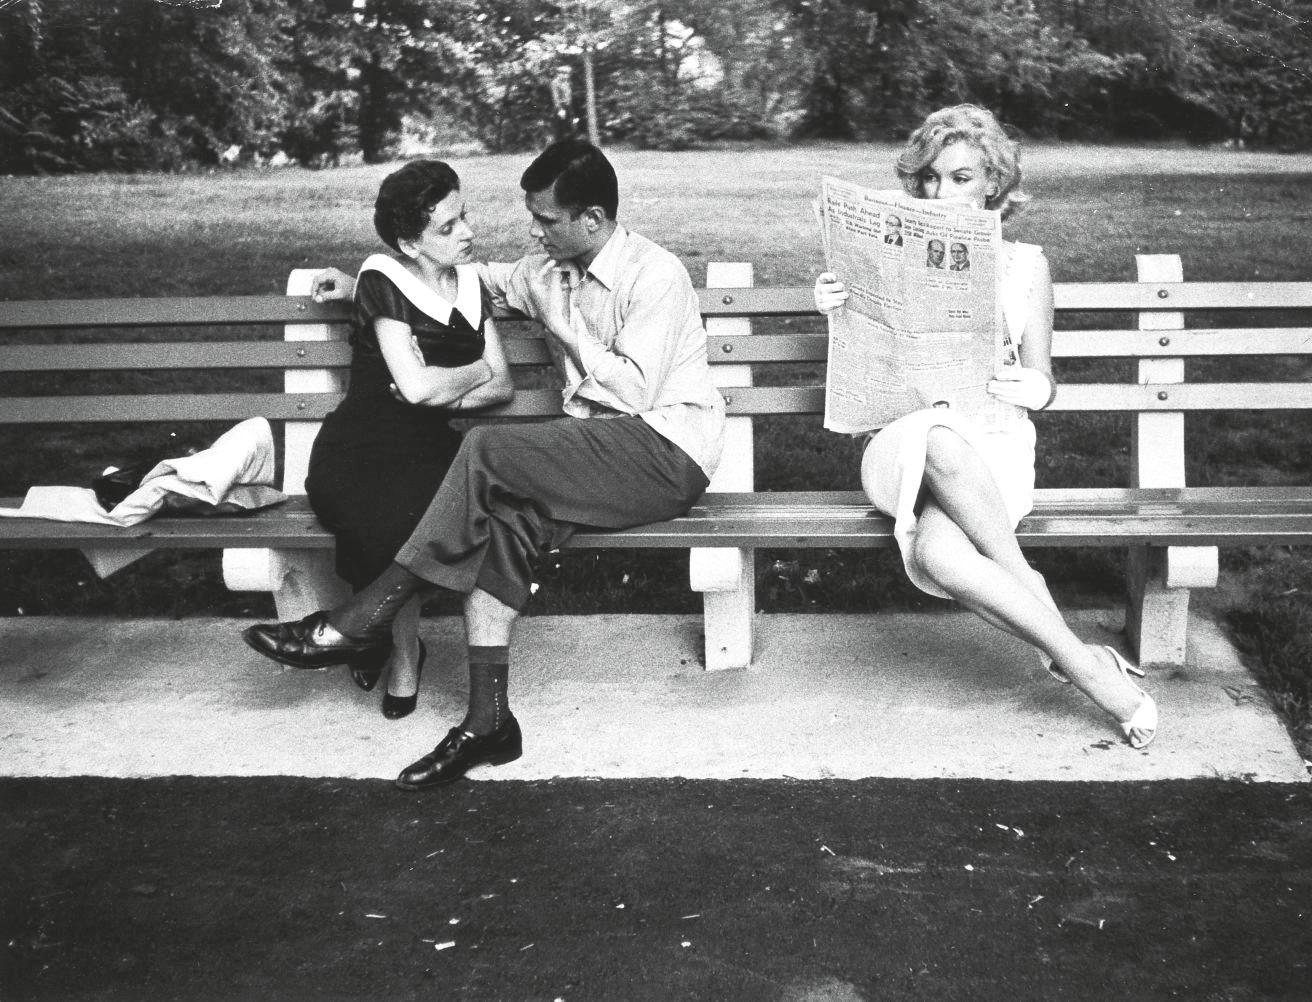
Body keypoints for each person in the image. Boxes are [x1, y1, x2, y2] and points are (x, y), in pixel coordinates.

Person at [244, 138, 726, 788]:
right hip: (591, 459)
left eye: (546, 220)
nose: (533, 230)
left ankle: (362, 620)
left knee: (486, 447)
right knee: (503, 527)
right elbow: (461, 280)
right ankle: (488, 722)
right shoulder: (545, 269)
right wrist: (358, 277)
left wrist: (560, 319)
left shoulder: (655, 273)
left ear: (592, 219)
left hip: (665, 452)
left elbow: (635, 391)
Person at [813, 104, 1157, 750]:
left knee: (940, 555)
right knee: (937, 435)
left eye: (962, 178)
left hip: (992, 448)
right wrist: (837, 308)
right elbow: (864, 365)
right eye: (933, 179)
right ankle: (1055, 619)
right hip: (899, 447)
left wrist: (1036, 387)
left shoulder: (1026, 264)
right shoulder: (890, 254)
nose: (944, 192)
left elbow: (1042, 375)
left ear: (995, 183)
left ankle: (1079, 660)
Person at [291, 160, 513, 719]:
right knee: (389, 512)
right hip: (359, 446)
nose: (466, 232)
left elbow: (502, 383)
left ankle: (377, 635)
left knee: (421, 509)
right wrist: (471, 374)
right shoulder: (380, 278)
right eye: (447, 227)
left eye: (465, 216)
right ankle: (404, 647)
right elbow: (415, 390)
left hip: (430, 446)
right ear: (409, 244)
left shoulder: (470, 283)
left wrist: (452, 388)